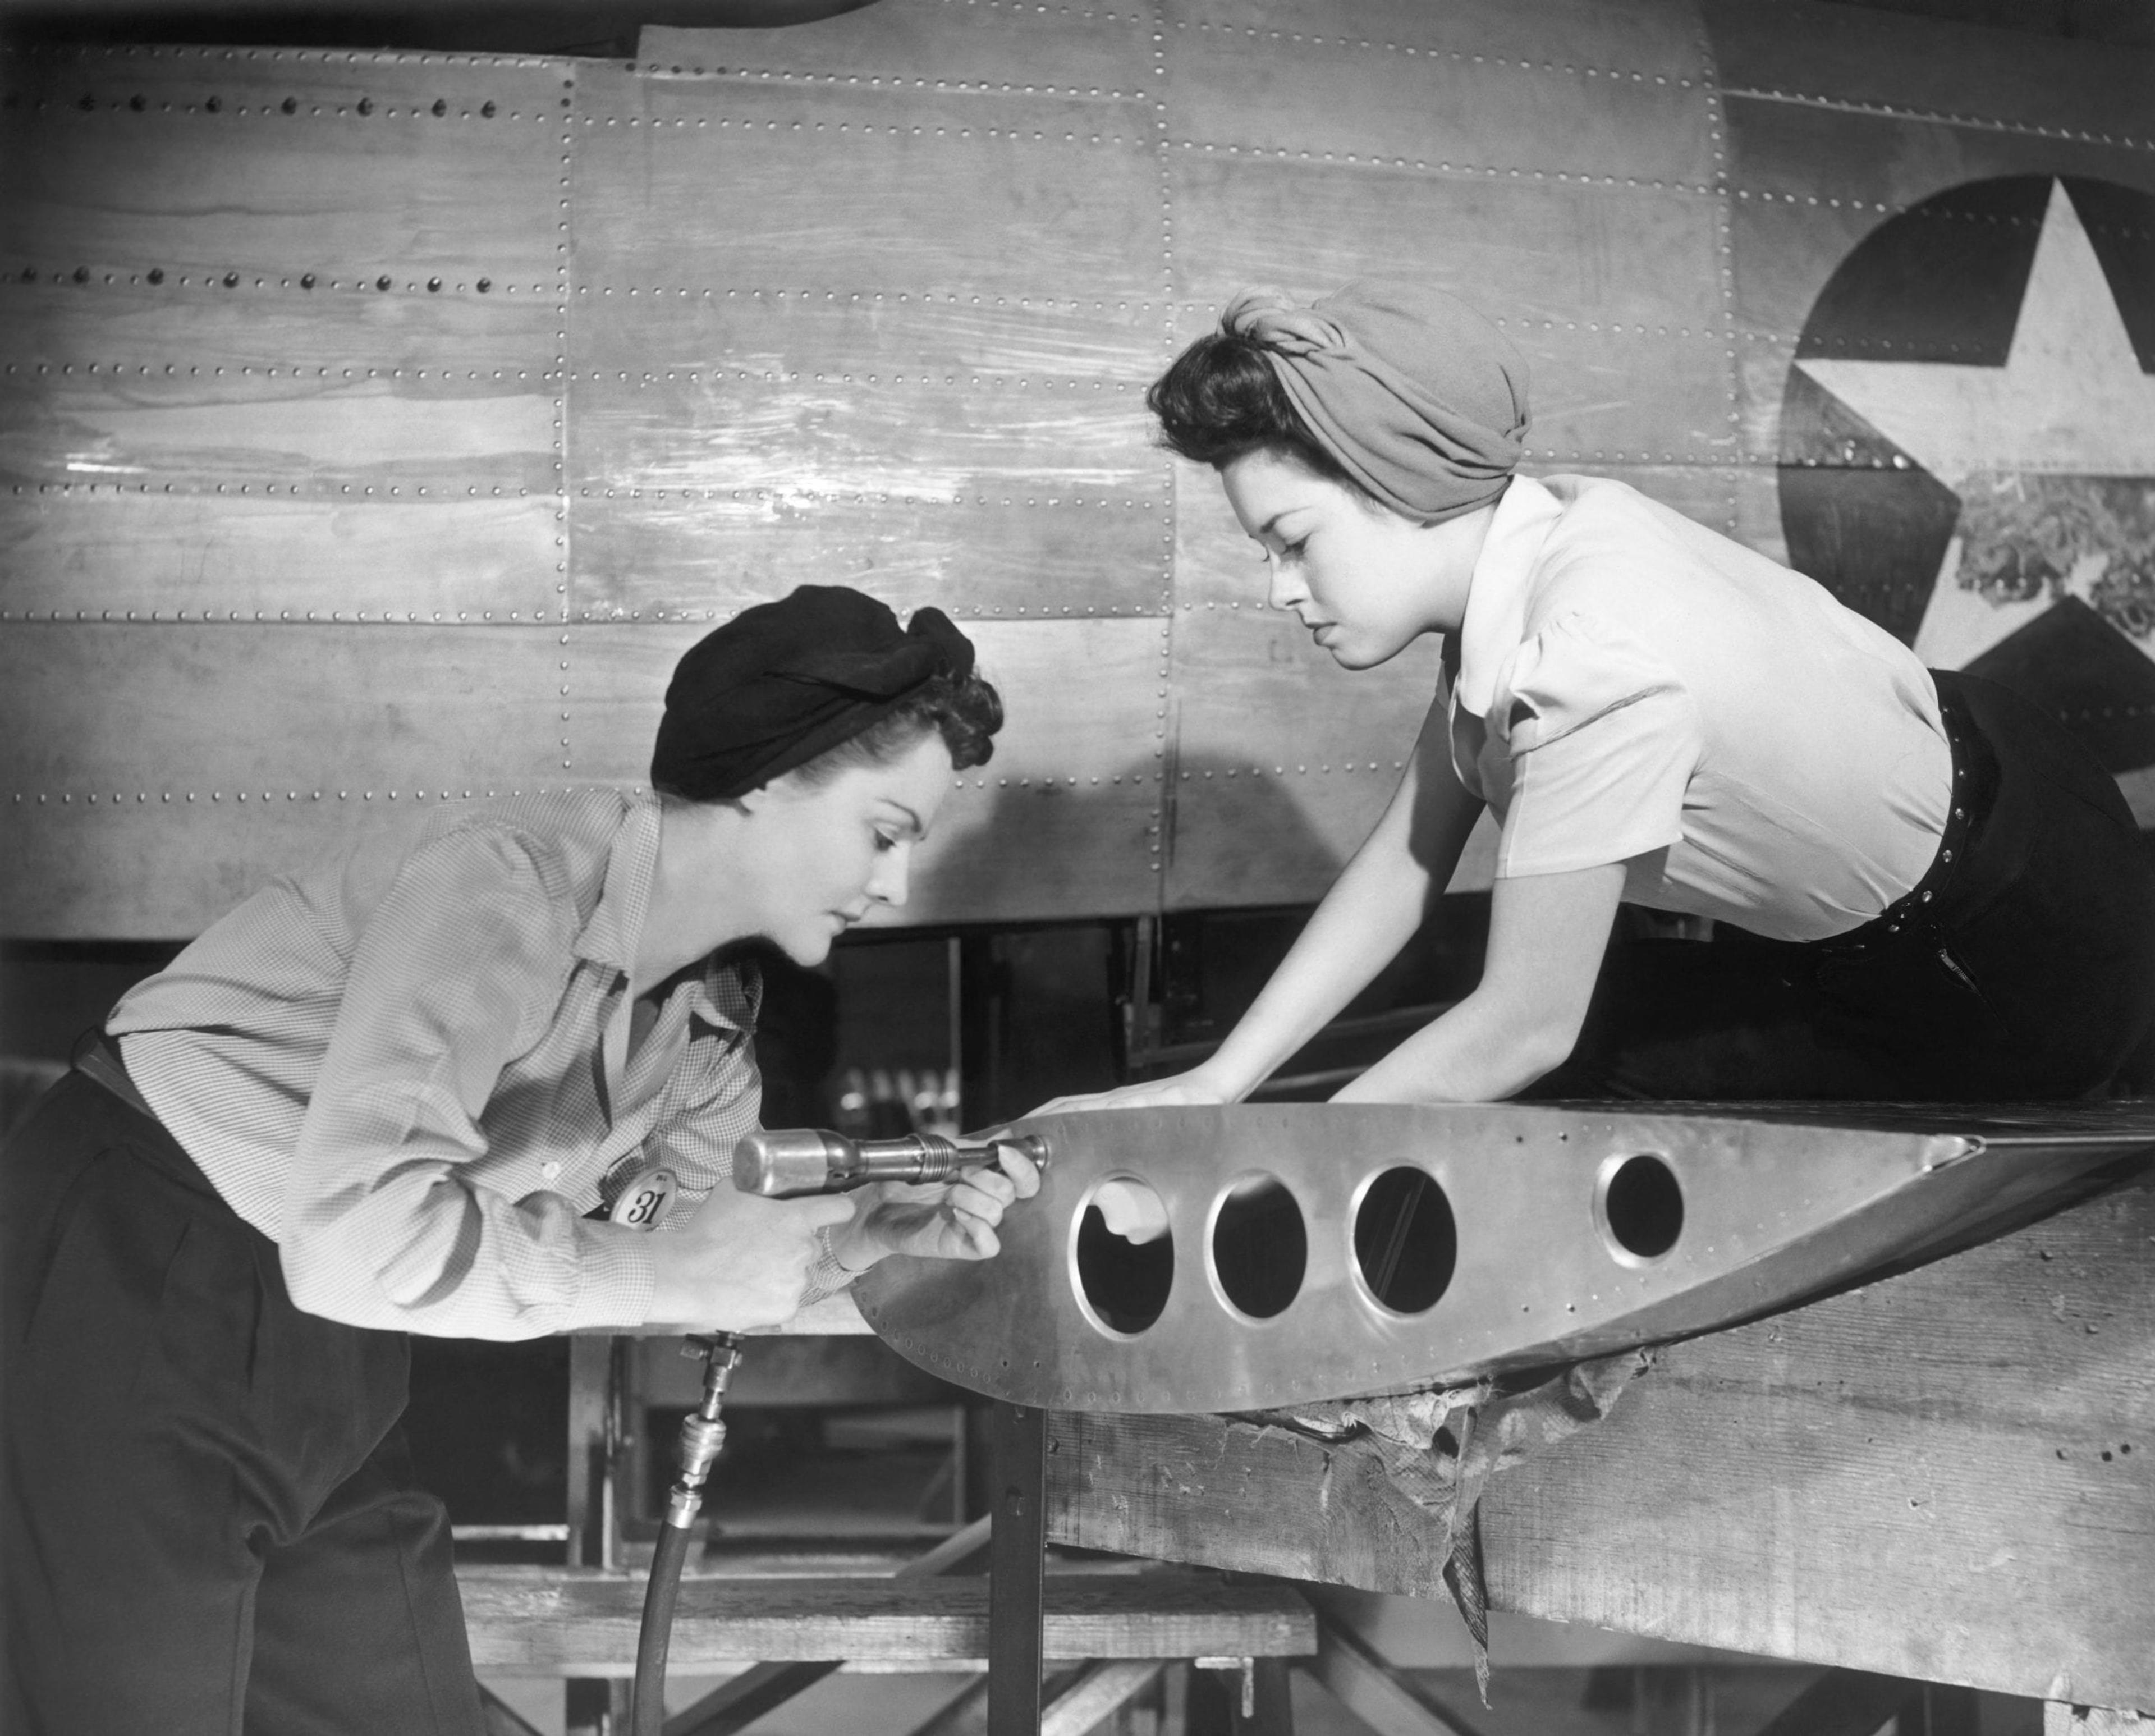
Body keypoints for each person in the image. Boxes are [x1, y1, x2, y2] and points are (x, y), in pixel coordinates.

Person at [2, 584, 1039, 1735]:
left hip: (337, 1321)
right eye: (884, 831)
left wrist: (862, 1240)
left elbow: (657, 1245)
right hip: (144, 1253)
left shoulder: (707, 1038)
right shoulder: (510, 881)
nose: (895, 885)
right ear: (769, 774)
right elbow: (360, 1234)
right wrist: (675, 1273)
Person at [1047, 281, 2155, 1155]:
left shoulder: (1587, 662)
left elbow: (1523, 1028)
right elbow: (1404, 862)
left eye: (1292, 539)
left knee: (1583, 1074)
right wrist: (1214, 1083)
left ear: (1403, 481)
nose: (1282, 587)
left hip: (2015, 947)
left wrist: (1247, 1180)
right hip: (2013, 773)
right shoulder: (1539, 533)